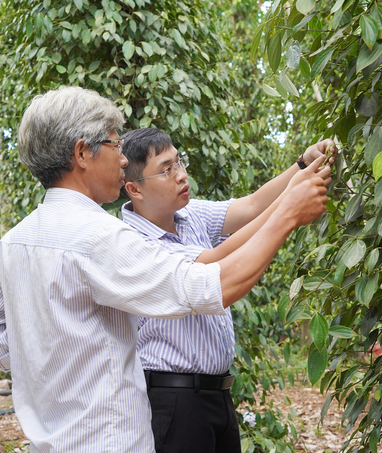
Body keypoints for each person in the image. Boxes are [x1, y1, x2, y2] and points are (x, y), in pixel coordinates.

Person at [0, 86, 331, 453]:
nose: (122, 160)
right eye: (114, 145)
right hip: (109, 440)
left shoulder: (18, 239)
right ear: (81, 153)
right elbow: (208, 286)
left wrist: (42, 370)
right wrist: (287, 215)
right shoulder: (100, 237)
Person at [119, 128, 335, 453]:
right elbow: (212, 265)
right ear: (134, 188)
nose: (181, 175)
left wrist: (302, 165)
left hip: (216, 394)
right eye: (166, 170)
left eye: (179, 163)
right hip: (173, 400)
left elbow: (252, 206)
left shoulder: (190, 216)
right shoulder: (133, 242)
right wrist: (290, 209)